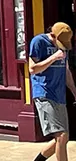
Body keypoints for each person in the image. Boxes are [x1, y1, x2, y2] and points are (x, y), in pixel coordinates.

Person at [30, 22, 76, 161]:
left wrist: (74, 91)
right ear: (53, 35)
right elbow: (32, 69)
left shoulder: (64, 47)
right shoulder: (38, 42)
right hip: (44, 93)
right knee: (61, 136)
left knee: (63, 138)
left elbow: (66, 71)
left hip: (59, 95)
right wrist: (53, 57)